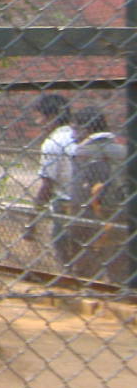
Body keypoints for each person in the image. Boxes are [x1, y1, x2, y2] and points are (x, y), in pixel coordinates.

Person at [63, 107, 128, 281]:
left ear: (87, 129)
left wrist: (76, 218)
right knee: (119, 258)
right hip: (121, 212)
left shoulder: (83, 152)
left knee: (87, 263)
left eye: (75, 129)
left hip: (91, 214)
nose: (72, 136)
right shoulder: (123, 150)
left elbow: (80, 192)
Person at [24, 93, 78, 268]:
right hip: (87, 199)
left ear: (52, 117)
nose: (38, 123)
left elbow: (47, 185)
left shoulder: (52, 143)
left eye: (39, 117)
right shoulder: (77, 136)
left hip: (65, 204)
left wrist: (32, 219)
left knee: (64, 250)